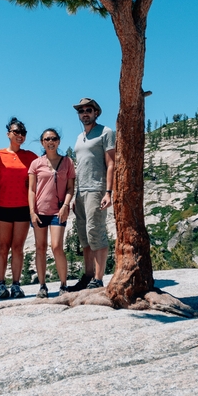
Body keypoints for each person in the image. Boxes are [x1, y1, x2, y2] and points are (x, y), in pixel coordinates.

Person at [0, 117, 37, 299]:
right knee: (3, 247)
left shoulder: (31, 156)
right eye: (16, 132)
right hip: (3, 205)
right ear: (8, 134)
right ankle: (1, 285)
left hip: (23, 206)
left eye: (22, 133)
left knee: (18, 248)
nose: (19, 135)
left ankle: (16, 285)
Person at [72, 98, 115, 290]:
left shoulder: (105, 132)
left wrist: (108, 192)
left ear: (96, 112)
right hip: (81, 192)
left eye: (88, 110)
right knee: (84, 236)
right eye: (81, 111)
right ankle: (88, 276)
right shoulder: (80, 137)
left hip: (97, 189)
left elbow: (112, 163)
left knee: (95, 232)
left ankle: (98, 279)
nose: (85, 113)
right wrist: (74, 194)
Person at [28, 129, 75, 299]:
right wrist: (32, 212)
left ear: (59, 141)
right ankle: (42, 286)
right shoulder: (36, 164)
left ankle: (63, 284)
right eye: (47, 139)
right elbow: (32, 190)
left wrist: (66, 206)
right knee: (40, 248)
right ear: (42, 142)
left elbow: (70, 188)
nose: (50, 141)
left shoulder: (67, 162)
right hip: (40, 211)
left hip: (58, 210)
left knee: (56, 247)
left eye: (54, 138)